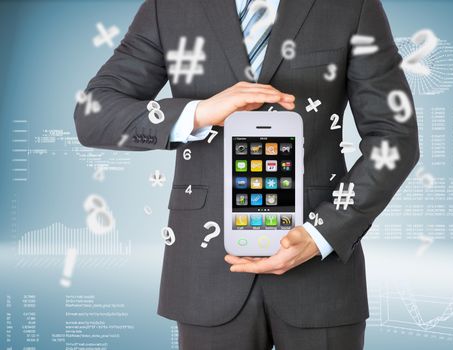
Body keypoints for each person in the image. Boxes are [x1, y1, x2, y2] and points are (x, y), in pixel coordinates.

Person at [74, 0, 419, 348]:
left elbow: (395, 137)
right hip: (206, 271)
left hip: (320, 271)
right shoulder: (169, 7)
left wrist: (321, 234)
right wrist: (199, 113)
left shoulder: (352, 6)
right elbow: (93, 114)